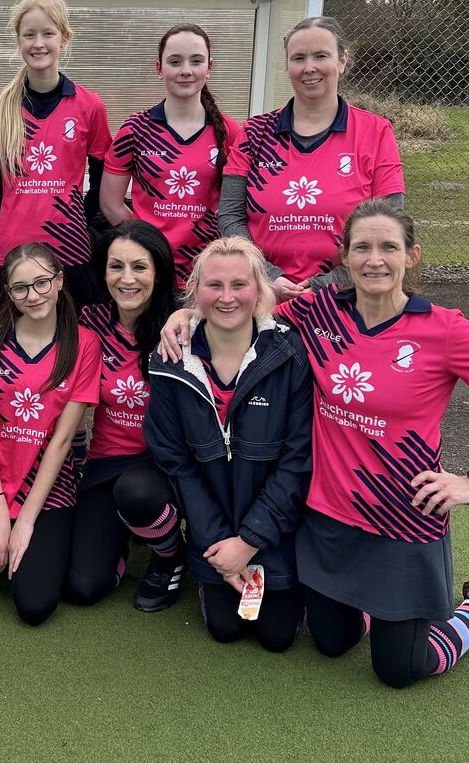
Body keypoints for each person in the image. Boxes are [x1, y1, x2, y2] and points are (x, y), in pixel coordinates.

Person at [160, 200, 469, 686]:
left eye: (389, 247)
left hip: (403, 518)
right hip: (326, 518)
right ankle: (374, 608)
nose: (374, 259)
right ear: (343, 256)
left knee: (400, 669)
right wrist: (186, 315)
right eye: (361, 247)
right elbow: (239, 303)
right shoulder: (318, 311)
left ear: (412, 255)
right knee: (331, 644)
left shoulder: (444, 329)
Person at [146, 236, 312, 651]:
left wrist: (251, 540)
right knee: (226, 629)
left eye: (239, 285)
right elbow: (176, 463)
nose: (227, 297)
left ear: (260, 291)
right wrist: (221, 546)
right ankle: (205, 571)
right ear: (195, 292)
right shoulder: (170, 359)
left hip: (273, 532)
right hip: (214, 534)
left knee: (276, 637)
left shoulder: (289, 355)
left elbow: (297, 462)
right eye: (214, 285)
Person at [0, 243, 101, 626]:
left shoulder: (84, 344)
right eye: (21, 288)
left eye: (42, 282)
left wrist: (25, 520)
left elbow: (63, 440)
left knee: (35, 606)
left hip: (47, 492)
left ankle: (39, 540)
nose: (34, 295)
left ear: (60, 280)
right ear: (8, 294)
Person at [220, 16, 404, 302]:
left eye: (321, 56)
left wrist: (330, 282)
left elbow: (392, 224)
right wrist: (266, 275)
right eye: (299, 58)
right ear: (288, 66)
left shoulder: (376, 132)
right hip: (263, 293)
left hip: (348, 296)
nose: (309, 68)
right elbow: (230, 216)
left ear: (342, 61)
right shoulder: (254, 133)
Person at [63, 220, 190, 611]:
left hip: (166, 465)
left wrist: (193, 310)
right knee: (84, 587)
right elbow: (40, 345)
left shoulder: (185, 325)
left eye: (139, 267)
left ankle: (171, 555)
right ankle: (127, 531)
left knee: (137, 492)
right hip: (106, 463)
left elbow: (247, 303)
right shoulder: (91, 321)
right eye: (116, 266)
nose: (127, 278)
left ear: (160, 272)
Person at [0, 0, 112, 309]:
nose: (38, 43)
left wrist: (80, 220)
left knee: (73, 347)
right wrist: (17, 218)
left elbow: (102, 180)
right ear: (19, 40)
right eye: (29, 35)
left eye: (47, 34)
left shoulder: (89, 105)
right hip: (15, 253)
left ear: (64, 38)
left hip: (71, 252)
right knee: (12, 351)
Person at [99, 24, 245, 288]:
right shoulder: (134, 129)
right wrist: (145, 242)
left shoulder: (233, 132)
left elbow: (238, 208)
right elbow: (111, 203)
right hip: (150, 272)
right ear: (159, 68)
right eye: (175, 61)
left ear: (209, 67)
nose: (186, 70)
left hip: (206, 273)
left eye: (196, 61)